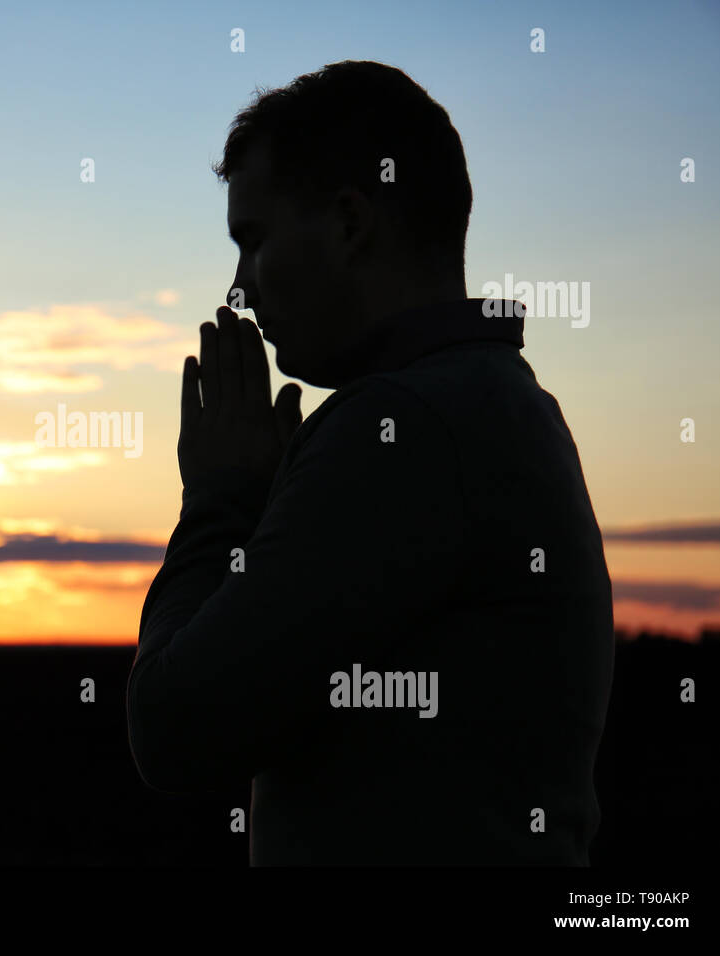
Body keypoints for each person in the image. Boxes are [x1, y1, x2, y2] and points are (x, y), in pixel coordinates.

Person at [126, 60, 614, 865]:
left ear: (351, 222)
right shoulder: (500, 403)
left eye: (253, 241)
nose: (239, 289)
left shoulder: (403, 425)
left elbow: (175, 729)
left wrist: (218, 499)